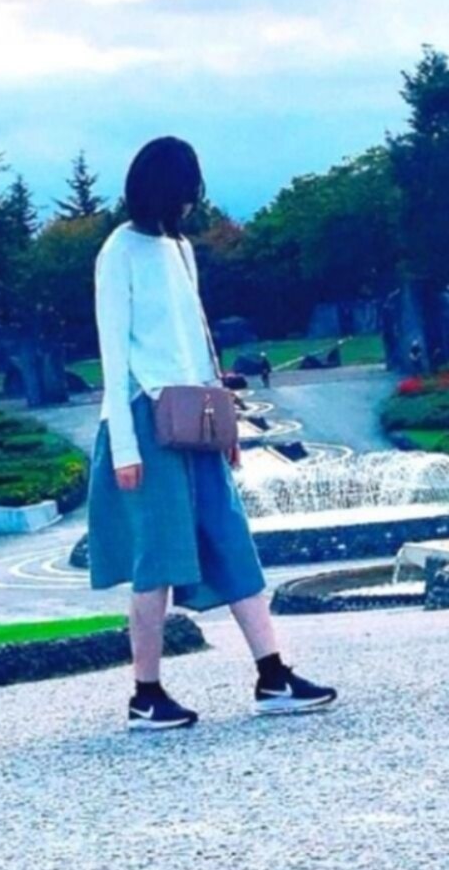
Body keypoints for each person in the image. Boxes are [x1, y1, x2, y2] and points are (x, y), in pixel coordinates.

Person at [88, 136, 338, 731]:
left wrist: (225, 421)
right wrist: (124, 449)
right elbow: (113, 356)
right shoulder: (118, 251)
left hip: (194, 416)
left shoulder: (181, 249)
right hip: (144, 419)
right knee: (158, 558)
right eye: (185, 190)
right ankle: (146, 693)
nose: (191, 202)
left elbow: (200, 346)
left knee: (230, 540)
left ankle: (273, 674)